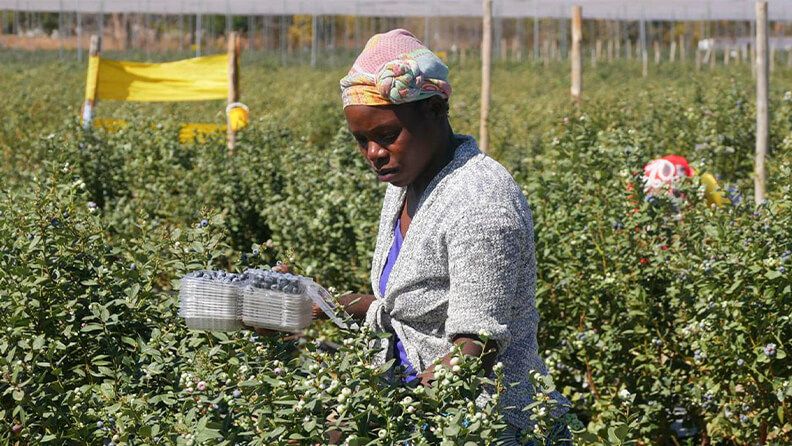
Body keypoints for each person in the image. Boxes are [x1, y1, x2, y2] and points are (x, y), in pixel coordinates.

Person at [260, 29, 570, 444]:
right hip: (417, 412)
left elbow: (476, 345)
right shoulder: (408, 185)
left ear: (436, 111)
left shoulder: (479, 200)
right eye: (362, 140)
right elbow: (400, 310)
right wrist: (315, 300)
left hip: (482, 425)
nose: (374, 153)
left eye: (387, 135)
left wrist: (375, 418)